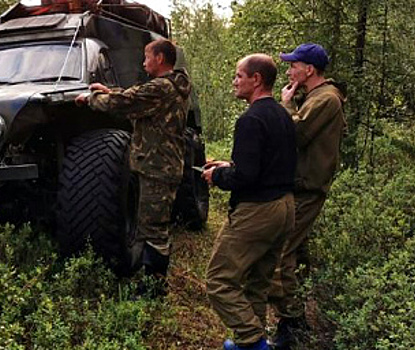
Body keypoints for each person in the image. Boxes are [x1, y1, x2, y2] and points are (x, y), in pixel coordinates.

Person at [75, 39, 192, 295]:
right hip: (159, 165)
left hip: (157, 168)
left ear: (160, 59)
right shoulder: (171, 86)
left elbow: (127, 102)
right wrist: (109, 90)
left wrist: (91, 99)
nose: (143, 62)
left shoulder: (161, 88)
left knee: (155, 229)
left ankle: (154, 286)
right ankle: (151, 279)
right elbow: (135, 96)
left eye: (146, 57)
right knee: (151, 223)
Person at [201, 54, 296, 350]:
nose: (235, 81)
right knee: (257, 282)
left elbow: (246, 178)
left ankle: (253, 342)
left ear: (256, 80)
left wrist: (217, 177)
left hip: (258, 211)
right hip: (285, 207)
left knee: (218, 281)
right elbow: (267, 163)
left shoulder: (250, 119)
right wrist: (227, 165)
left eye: (239, 75)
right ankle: (250, 343)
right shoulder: (283, 114)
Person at [269, 43, 347, 350]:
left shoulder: (326, 99)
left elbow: (297, 135)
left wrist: (286, 105)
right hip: (302, 185)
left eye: (293, 66)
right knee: (298, 254)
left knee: (279, 253)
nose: (289, 71)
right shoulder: (317, 96)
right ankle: (300, 317)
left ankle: (289, 323)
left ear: (309, 70)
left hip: (307, 188)